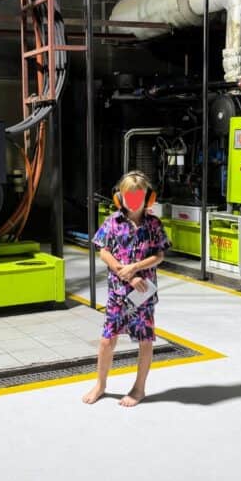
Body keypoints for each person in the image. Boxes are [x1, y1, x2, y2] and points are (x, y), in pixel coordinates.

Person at [83, 171, 171, 407]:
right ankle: (100, 384)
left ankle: (139, 388)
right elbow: (103, 250)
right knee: (106, 340)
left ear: (148, 198)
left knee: (144, 340)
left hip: (143, 295)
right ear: (120, 198)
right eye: (128, 196)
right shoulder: (112, 222)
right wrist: (125, 272)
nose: (133, 201)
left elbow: (159, 255)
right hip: (117, 292)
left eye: (138, 197)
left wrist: (135, 267)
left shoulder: (154, 225)